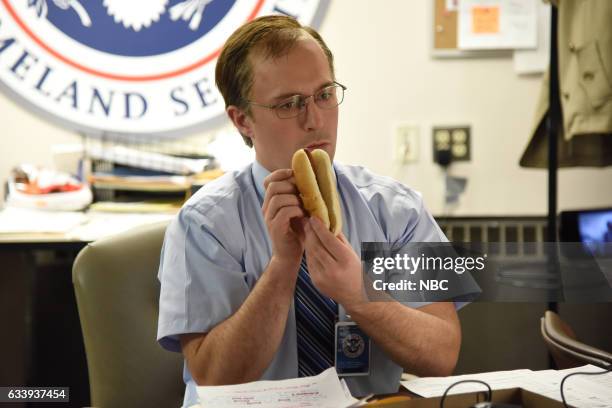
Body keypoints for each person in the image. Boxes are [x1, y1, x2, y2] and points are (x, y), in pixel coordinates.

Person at [157, 15, 475, 407]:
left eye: (324, 94)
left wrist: (359, 294)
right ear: (243, 120)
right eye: (289, 104)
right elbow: (215, 379)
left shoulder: (397, 209)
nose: (315, 120)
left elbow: (442, 354)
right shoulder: (203, 223)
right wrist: (283, 267)